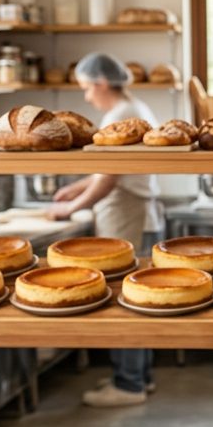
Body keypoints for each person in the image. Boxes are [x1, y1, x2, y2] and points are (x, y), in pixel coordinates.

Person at [48, 52, 163, 407]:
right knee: (139, 301)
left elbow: (110, 178)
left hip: (127, 218)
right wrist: (77, 187)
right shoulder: (134, 107)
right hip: (137, 216)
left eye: (85, 88)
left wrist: (72, 206)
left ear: (100, 83)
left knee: (125, 304)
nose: (86, 96)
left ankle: (128, 385)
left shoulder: (120, 115)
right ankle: (139, 378)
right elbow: (106, 171)